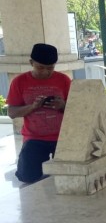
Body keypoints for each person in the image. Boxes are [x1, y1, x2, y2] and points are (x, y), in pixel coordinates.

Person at [7, 43, 71, 183]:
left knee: (68, 176)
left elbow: (77, 110)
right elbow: (11, 112)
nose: (45, 72)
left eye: (50, 68)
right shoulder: (19, 82)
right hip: (34, 138)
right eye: (40, 67)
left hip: (62, 137)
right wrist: (33, 107)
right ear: (31, 63)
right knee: (27, 177)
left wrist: (63, 105)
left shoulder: (64, 80)